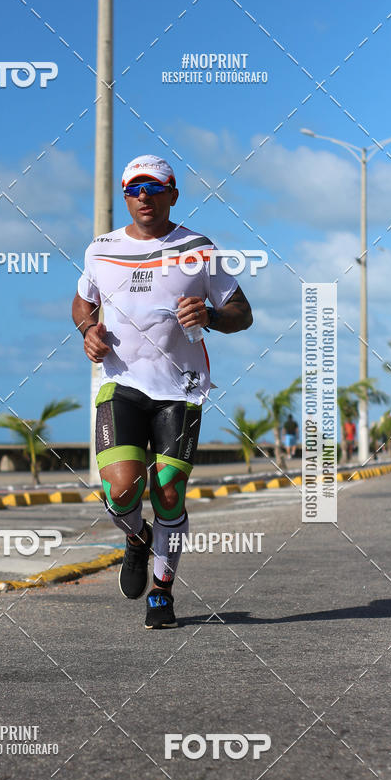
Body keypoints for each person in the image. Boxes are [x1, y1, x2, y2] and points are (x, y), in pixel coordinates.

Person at [72, 154, 253, 629]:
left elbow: (242, 312)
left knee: (168, 491)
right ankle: (136, 538)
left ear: (173, 192)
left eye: (153, 187)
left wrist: (211, 316)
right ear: (125, 198)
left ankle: (162, 592)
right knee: (121, 489)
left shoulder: (198, 249)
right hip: (122, 384)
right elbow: (83, 301)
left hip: (182, 390)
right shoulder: (101, 249)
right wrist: (88, 330)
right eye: (134, 189)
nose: (144, 197)